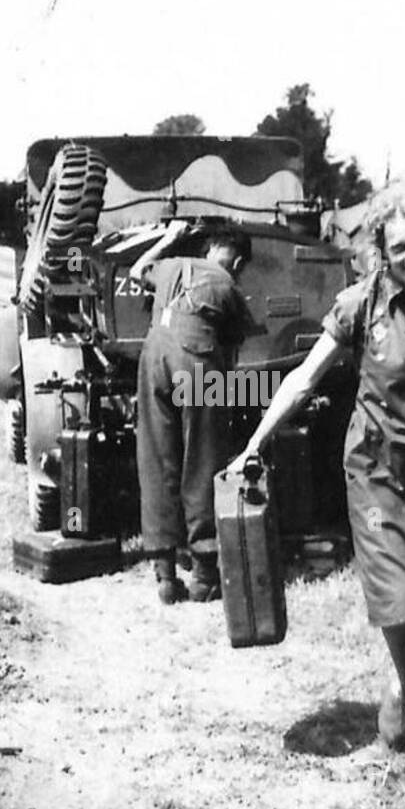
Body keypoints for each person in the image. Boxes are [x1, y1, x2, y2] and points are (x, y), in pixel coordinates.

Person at [228, 196, 405, 766]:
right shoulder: (360, 304)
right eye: (398, 248)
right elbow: (304, 378)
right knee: (398, 594)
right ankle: (398, 680)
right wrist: (254, 443)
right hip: (375, 468)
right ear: (382, 255)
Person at [131, 220, 255, 604]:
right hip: (197, 363)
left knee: (157, 459)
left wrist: (168, 238)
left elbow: (137, 271)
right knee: (203, 460)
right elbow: (232, 352)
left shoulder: (171, 265)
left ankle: (165, 575)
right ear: (236, 262)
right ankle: (203, 574)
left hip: (152, 359)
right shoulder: (229, 286)